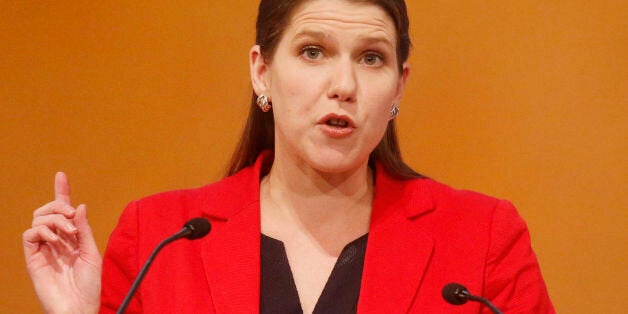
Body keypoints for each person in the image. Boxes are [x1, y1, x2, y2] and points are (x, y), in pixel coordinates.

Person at [23, 0, 555, 313]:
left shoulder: (483, 236)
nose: (343, 85)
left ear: (399, 85)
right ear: (262, 71)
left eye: (372, 58)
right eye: (313, 51)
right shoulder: (161, 237)